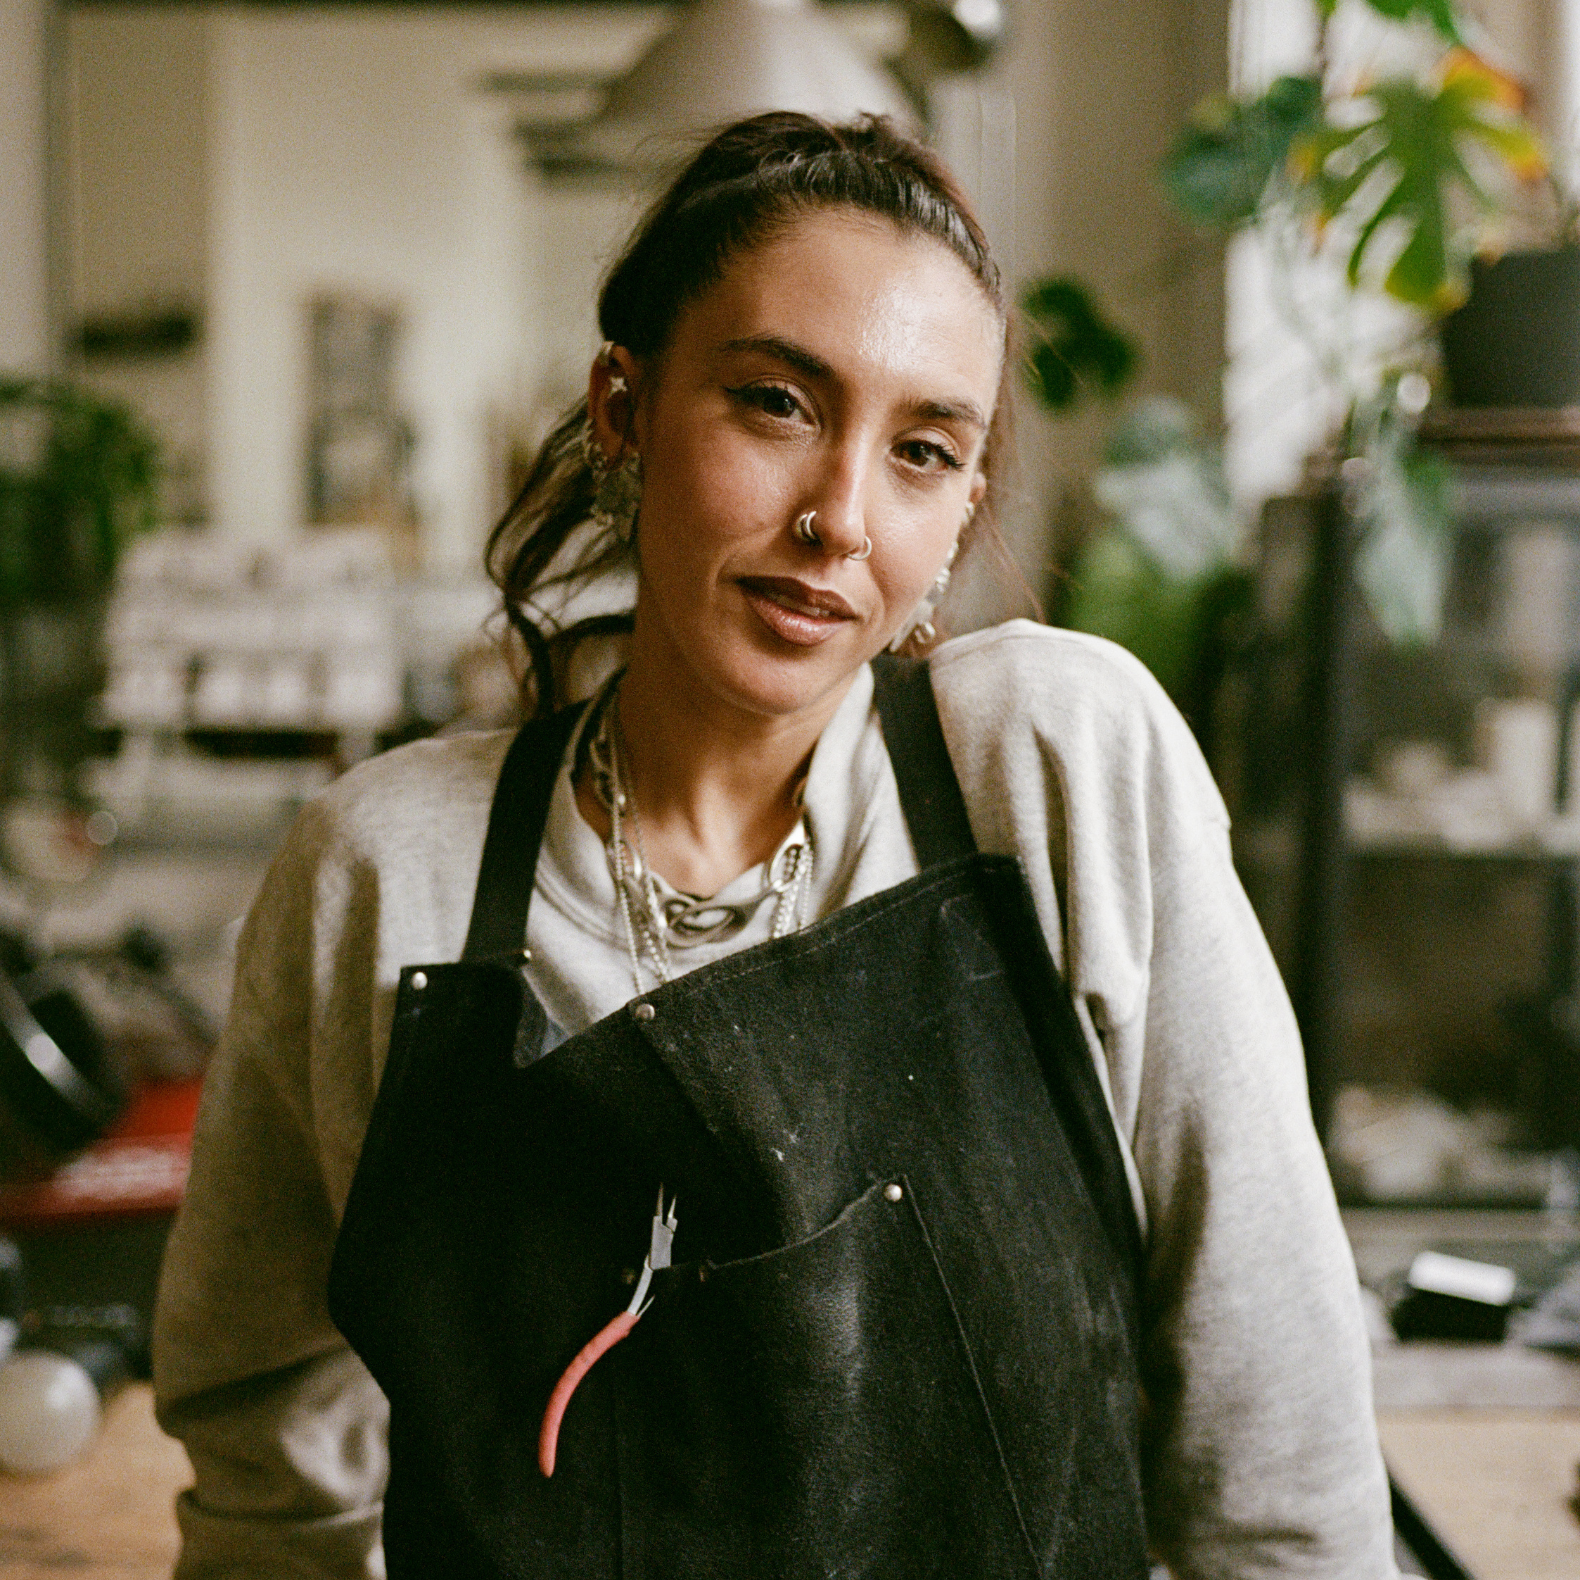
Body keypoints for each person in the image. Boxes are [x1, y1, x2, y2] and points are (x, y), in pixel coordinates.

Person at [153, 113, 1398, 1578]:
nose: (839, 520)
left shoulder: (1059, 769)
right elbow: (270, 1474)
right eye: (776, 405)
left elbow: (1276, 1428)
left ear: (961, 519)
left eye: (924, 452)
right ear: (625, 408)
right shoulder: (386, 874)